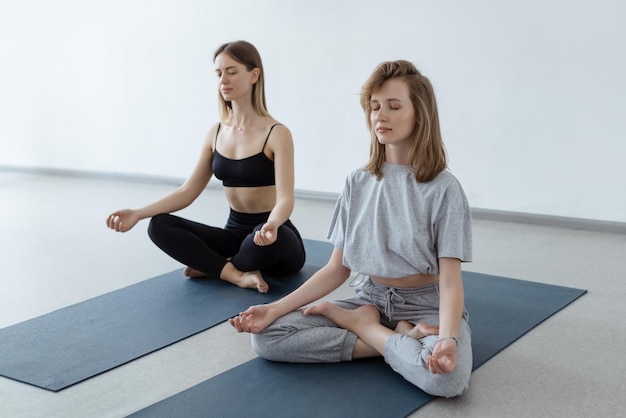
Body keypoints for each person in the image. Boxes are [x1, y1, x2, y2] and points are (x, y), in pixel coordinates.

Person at [229, 60, 472, 397]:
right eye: (374, 107)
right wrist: (274, 308)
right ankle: (394, 340)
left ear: (420, 114)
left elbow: (450, 281)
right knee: (267, 338)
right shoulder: (357, 182)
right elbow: (336, 269)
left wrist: (446, 339)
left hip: (425, 306)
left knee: (447, 379)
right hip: (369, 297)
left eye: (393, 106)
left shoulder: (444, 189)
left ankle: (365, 329)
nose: (379, 116)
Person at [106, 40, 305, 294]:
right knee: (159, 225)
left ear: (254, 75)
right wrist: (138, 213)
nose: (224, 80)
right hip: (233, 235)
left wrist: (273, 224)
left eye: (232, 72)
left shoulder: (277, 133)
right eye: (219, 73)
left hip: (272, 235)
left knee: (263, 242)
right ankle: (235, 274)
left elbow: (286, 198)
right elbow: (187, 192)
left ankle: (214, 266)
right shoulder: (216, 132)